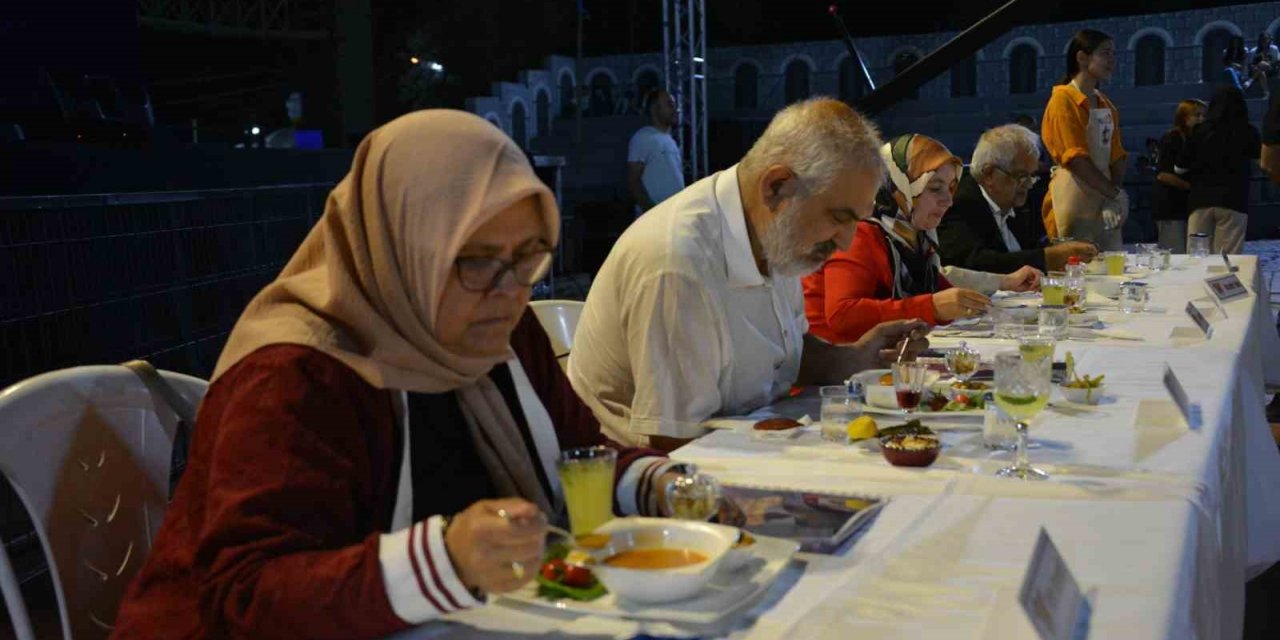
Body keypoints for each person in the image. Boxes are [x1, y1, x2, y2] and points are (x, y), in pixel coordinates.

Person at [111, 111, 688, 639]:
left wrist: (662, 485)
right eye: (477, 259)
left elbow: (580, 453)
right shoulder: (297, 375)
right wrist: (443, 558)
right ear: (402, 247)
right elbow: (247, 596)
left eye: (527, 257)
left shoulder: (503, 334)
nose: (510, 291)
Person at [570, 98, 929, 449]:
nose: (847, 243)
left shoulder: (773, 231)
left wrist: (857, 356)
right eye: (839, 218)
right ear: (776, 186)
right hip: (651, 475)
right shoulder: (678, 264)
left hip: (745, 444)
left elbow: (784, 356)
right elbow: (675, 445)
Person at [805, 134, 1041, 345]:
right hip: (832, 374)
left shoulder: (912, 237)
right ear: (901, 188)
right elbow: (842, 316)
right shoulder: (861, 234)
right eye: (935, 188)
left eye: (951, 188)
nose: (948, 200)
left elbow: (943, 293)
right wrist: (932, 307)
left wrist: (999, 309)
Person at [937, 124, 1097, 273]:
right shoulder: (959, 203)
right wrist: (1048, 257)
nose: (1029, 184)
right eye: (1020, 176)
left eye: (1032, 175)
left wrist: (1063, 250)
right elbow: (971, 265)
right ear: (988, 175)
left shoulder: (1017, 204)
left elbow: (1029, 248)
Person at [1040, 29, 1128, 250]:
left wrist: (1112, 198)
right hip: (1074, 197)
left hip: (1104, 198)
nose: (1112, 60)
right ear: (1082, 57)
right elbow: (1074, 158)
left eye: (1113, 54)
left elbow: (1116, 155)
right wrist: (1113, 193)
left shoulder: (1106, 104)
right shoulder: (1063, 99)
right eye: (1105, 53)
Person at [1176, 86, 1261, 254]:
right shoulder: (1249, 131)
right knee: (1226, 260)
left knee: (1197, 258)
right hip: (1234, 200)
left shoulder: (1199, 131)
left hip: (1200, 201)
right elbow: (1262, 162)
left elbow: (1179, 168)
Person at [1151, 99, 1206, 252]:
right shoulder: (1173, 137)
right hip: (1171, 207)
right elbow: (1163, 174)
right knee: (1174, 252)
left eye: (1203, 115)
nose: (1201, 119)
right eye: (1197, 115)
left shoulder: (1196, 139)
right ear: (1184, 117)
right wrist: (1190, 187)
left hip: (1187, 206)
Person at [626, 89, 684, 215]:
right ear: (654, 109)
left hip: (673, 217)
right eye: (669, 104)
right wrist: (651, 214)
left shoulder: (671, 141)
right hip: (655, 222)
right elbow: (633, 180)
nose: (675, 109)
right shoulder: (643, 137)